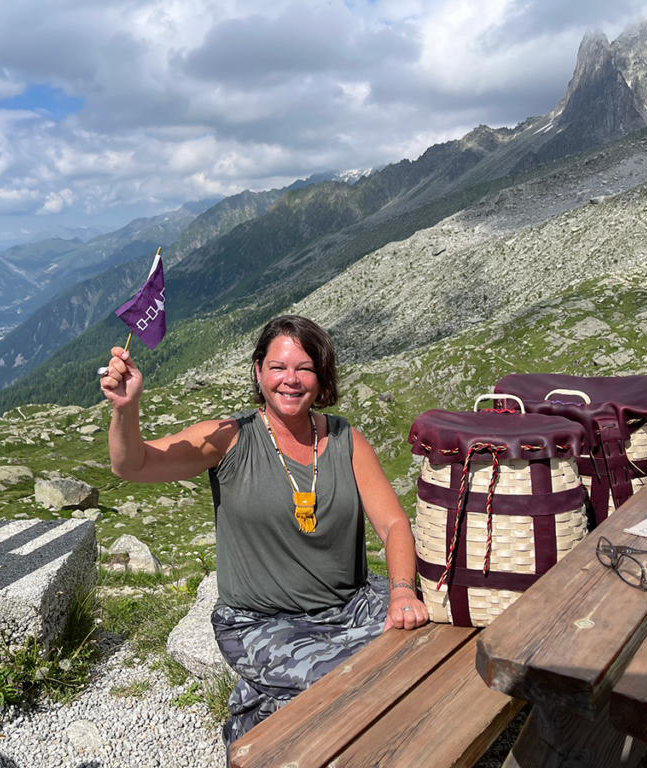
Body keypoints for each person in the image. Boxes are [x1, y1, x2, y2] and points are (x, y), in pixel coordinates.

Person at [101, 314, 428, 750]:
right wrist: (125, 409)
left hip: (351, 606)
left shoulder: (346, 439)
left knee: (428, 640)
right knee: (349, 680)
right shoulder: (229, 438)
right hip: (261, 622)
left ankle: (262, 703)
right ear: (258, 371)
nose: (290, 379)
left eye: (304, 368)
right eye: (278, 367)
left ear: (320, 377)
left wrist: (403, 591)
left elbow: (393, 524)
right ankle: (263, 727)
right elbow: (133, 464)